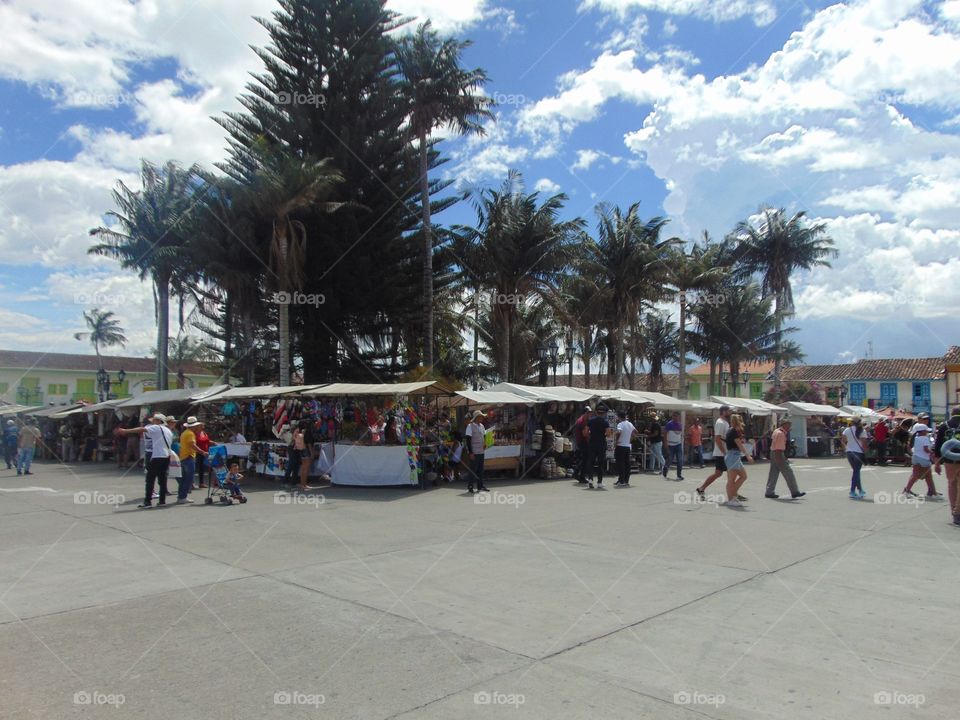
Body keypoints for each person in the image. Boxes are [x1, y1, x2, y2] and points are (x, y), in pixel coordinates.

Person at [121, 414, 174, 509]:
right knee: (162, 479)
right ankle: (162, 501)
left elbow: (142, 429)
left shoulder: (156, 427)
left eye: (154, 420)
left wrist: (126, 431)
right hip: (166, 456)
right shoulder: (168, 430)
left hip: (157, 456)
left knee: (150, 479)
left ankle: (147, 502)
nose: (152, 422)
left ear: (158, 421)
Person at [697, 405, 732, 499]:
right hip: (722, 453)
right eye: (729, 411)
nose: (730, 412)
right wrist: (725, 452)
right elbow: (717, 439)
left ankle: (701, 488)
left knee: (719, 473)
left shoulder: (725, 422)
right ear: (724, 412)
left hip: (724, 452)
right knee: (731, 472)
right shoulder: (720, 422)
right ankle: (733, 493)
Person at [765, 418, 805, 499]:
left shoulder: (776, 431)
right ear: (784, 424)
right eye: (789, 424)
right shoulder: (781, 434)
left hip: (773, 452)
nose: (790, 426)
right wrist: (781, 459)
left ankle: (769, 491)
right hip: (778, 453)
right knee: (788, 472)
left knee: (773, 472)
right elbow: (778, 448)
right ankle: (795, 491)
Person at [933, 410, 960, 526]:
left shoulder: (945, 425)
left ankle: (953, 511)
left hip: (949, 460)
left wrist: (937, 463)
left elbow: (938, 445)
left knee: (951, 484)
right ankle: (958, 512)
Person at [903, 423, 942, 498]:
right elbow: (926, 449)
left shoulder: (915, 438)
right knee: (929, 477)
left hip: (915, 457)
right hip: (923, 458)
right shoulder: (925, 438)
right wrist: (932, 452)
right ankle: (933, 493)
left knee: (914, 476)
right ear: (923, 431)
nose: (927, 432)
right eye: (926, 430)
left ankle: (907, 491)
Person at [724, 414, 752, 507]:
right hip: (733, 456)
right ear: (739, 421)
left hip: (734, 455)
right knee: (732, 479)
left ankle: (733, 494)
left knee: (743, 476)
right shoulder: (734, 431)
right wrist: (748, 456)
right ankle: (731, 499)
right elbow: (739, 445)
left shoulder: (731, 430)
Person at [178, 417, 207, 504]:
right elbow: (192, 444)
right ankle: (183, 496)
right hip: (188, 456)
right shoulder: (190, 434)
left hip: (184, 456)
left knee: (184, 478)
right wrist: (202, 452)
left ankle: (181, 496)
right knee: (188, 478)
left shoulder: (185, 433)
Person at [465, 410, 490, 493]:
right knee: (473, 469)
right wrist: (470, 452)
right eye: (481, 416)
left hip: (481, 451)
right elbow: (468, 440)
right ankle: (470, 486)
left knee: (480, 469)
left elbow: (484, 435)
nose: (482, 418)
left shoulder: (482, 426)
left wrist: (485, 443)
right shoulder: (470, 426)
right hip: (474, 451)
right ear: (476, 417)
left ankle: (480, 486)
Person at [841, 419, 867, 499]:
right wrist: (865, 452)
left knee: (856, 471)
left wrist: (845, 450)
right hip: (858, 453)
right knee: (856, 472)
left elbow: (843, 441)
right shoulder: (862, 430)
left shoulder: (847, 430)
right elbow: (864, 443)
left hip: (849, 452)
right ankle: (852, 491)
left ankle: (860, 490)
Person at [586, 406, 610, 489]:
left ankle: (590, 480)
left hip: (592, 443)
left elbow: (586, 432)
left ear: (596, 412)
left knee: (591, 462)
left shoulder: (591, 420)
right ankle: (599, 482)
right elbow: (608, 434)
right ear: (603, 413)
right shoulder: (605, 422)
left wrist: (591, 436)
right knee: (600, 463)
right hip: (601, 444)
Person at [614, 410, 636, 487]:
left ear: (619, 417)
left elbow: (619, 432)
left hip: (620, 446)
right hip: (627, 446)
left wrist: (616, 441)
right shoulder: (630, 424)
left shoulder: (620, 424)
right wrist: (630, 439)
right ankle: (625, 480)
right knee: (627, 464)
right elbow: (635, 431)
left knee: (620, 464)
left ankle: (622, 480)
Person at [573, 405, 592, 484]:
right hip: (583, 442)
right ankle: (581, 476)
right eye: (588, 413)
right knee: (585, 460)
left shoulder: (581, 420)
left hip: (581, 441)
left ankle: (577, 473)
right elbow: (585, 434)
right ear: (585, 413)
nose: (590, 415)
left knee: (583, 459)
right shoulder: (582, 421)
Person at [662, 412, 684, 481]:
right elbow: (665, 434)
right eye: (675, 416)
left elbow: (679, 434)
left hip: (678, 445)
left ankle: (679, 475)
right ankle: (664, 473)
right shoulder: (669, 424)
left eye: (677, 417)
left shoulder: (680, 424)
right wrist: (666, 445)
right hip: (670, 445)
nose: (676, 418)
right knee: (669, 460)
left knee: (680, 460)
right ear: (673, 417)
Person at [194, 420, 211, 488]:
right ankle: (193, 483)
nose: (202, 427)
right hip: (198, 452)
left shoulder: (204, 433)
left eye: (203, 425)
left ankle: (201, 483)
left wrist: (213, 442)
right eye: (201, 425)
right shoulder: (194, 434)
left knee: (202, 468)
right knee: (197, 468)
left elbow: (208, 440)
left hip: (205, 452)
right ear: (197, 426)